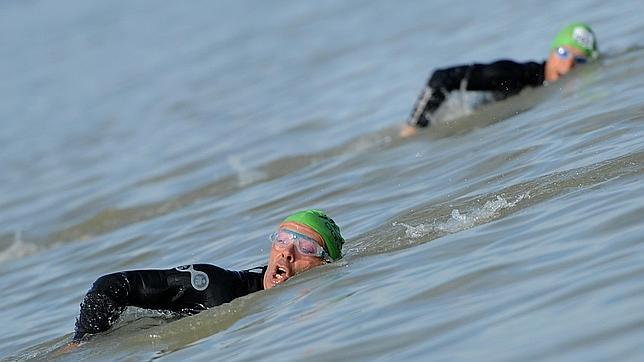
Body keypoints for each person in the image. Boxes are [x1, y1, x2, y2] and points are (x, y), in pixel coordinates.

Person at [70, 209, 344, 342]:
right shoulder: (215, 287)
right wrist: (81, 346)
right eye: (283, 239)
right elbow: (111, 285)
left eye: (306, 247)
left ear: (325, 263)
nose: (287, 252)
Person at [400, 23, 599, 138]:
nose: (568, 66)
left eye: (579, 60)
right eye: (563, 53)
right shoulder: (512, 74)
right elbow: (441, 78)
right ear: (551, 51)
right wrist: (413, 128)